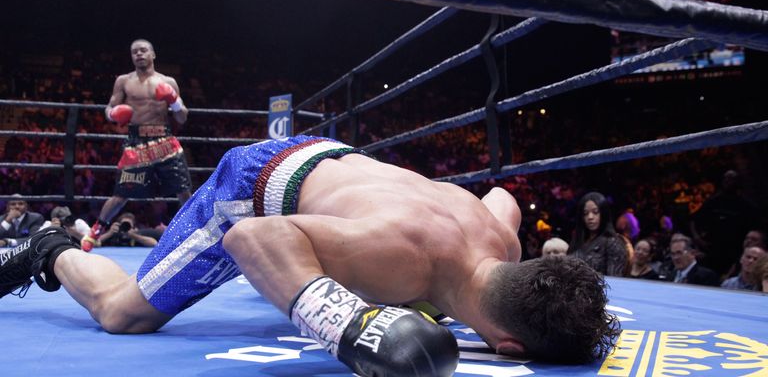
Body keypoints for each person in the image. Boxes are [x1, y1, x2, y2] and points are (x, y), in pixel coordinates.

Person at [0, 136, 620, 375]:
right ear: (509, 348)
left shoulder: (502, 234)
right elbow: (252, 240)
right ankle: (44, 249)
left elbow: (504, 195)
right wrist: (345, 322)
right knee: (123, 312)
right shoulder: (400, 260)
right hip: (254, 188)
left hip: (332, 153)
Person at [81, 39, 193, 252]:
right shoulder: (123, 81)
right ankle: (95, 231)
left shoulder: (168, 81)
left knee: (183, 189)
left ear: (153, 54)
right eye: (134, 52)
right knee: (122, 192)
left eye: (143, 50)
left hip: (164, 140)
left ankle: (195, 230)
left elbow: (182, 117)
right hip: (136, 142)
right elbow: (110, 107)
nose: (139, 54)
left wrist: (174, 100)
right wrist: (114, 114)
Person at [569, 192, 629, 276]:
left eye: (595, 212)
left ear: (604, 213)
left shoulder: (612, 243)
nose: (590, 217)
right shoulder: (578, 240)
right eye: (585, 213)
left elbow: (615, 281)